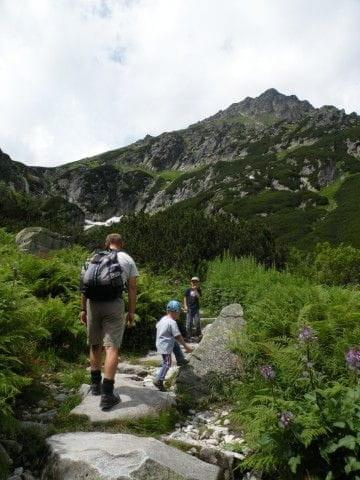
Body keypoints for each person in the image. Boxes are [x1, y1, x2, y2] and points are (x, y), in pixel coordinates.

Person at [80, 233, 138, 411]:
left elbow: (84, 285)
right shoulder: (127, 259)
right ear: (122, 243)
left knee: (95, 344)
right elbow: (132, 287)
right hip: (114, 304)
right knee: (111, 347)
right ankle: (107, 394)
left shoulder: (94, 257)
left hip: (92, 304)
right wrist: (131, 311)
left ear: (106, 243)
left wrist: (83, 308)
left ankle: (95, 386)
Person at [153, 300, 193, 391]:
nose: (179, 315)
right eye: (179, 312)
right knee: (167, 363)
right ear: (176, 311)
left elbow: (157, 326)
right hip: (165, 346)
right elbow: (178, 336)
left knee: (174, 343)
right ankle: (159, 380)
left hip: (161, 342)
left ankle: (180, 359)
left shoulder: (163, 319)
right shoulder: (172, 322)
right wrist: (186, 347)